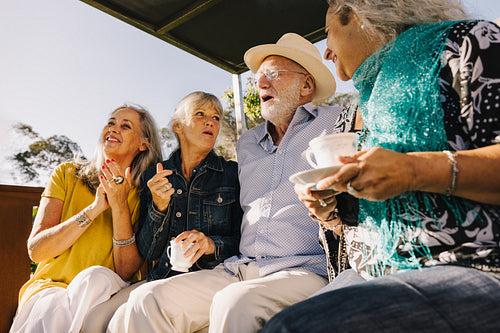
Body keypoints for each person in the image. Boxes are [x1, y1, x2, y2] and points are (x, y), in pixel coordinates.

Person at [262, 1, 500, 332]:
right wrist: (331, 213)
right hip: (373, 274)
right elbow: (362, 227)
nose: (327, 52)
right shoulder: (362, 104)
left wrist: (413, 170)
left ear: (359, 15)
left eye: (329, 33)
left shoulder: (468, 42)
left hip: (473, 265)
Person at [106, 33, 344, 333]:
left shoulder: (336, 121)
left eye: (272, 75)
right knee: (146, 299)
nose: (260, 84)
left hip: (301, 270)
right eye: (258, 78)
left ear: (306, 85)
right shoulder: (248, 143)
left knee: (234, 303)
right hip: (239, 269)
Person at [81, 91, 243, 332]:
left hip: (212, 276)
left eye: (216, 117)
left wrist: (210, 244)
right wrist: (159, 206)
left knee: (126, 317)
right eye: (200, 114)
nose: (211, 121)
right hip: (163, 275)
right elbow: (149, 250)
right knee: (95, 319)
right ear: (178, 126)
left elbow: (245, 243)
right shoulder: (155, 174)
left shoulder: (233, 174)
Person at [9, 105, 162, 333]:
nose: (113, 129)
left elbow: (125, 271)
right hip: (50, 288)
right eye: (111, 122)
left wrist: (119, 204)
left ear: (144, 143)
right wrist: (94, 209)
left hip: (107, 290)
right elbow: (37, 250)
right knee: (53, 306)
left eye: (125, 126)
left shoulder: (144, 195)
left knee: (94, 278)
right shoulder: (67, 173)